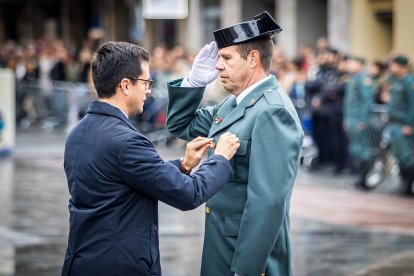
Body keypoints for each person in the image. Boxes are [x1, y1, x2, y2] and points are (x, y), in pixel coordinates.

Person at [61, 41, 240, 276]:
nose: (148, 91)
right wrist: (220, 159)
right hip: (119, 266)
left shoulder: (78, 131)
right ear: (125, 85)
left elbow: (128, 177)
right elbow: (188, 194)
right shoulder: (125, 140)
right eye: (146, 82)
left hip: (83, 261)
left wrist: (183, 165)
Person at [166, 12, 304, 276]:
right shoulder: (236, 103)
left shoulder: (272, 111)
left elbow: (269, 200)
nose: (218, 66)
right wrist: (193, 83)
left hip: (245, 255)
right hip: (223, 245)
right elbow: (180, 126)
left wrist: (247, 268)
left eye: (227, 58)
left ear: (253, 59)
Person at [383, 55, 414, 195]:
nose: (391, 68)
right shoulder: (395, 80)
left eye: (394, 65)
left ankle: (407, 186)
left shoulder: (409, 82)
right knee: (399, 156)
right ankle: (403, 185)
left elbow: (412, 105)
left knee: (406, 157)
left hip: (403, 125)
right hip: (394, 123)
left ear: (402, 66)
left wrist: (409, 124)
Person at [343, 55, 373, 186]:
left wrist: (363, 120)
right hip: (351, 118)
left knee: (362, 150)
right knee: (354, 149)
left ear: (360, 64)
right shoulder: (352, 78)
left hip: (358, 120)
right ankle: (358, 177)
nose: (349, 65)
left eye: (352, 63)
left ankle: (363, 179)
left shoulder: (363, 79)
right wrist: (346, 119)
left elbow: (366, 102)